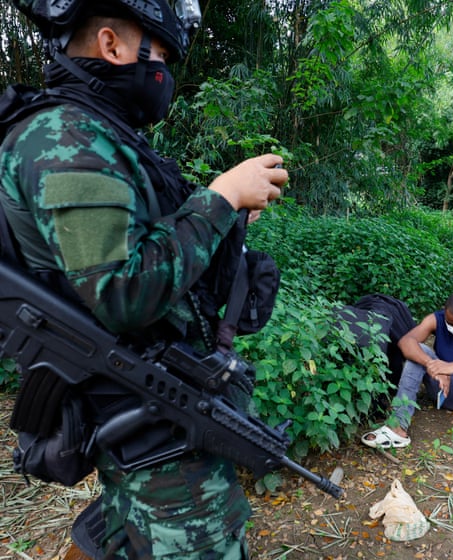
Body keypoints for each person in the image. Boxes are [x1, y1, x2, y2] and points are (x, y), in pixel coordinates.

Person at [0, 1, 286, 557]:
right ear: (112, 45)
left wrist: (222, 220)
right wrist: (222, 197)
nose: (165, 75)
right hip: (146, 417)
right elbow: (124, 291)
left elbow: (131, 246)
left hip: (151, 407)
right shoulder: (67, 138)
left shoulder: (95, 132)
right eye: (163, 57)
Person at [360, 292, 453, 480]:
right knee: (419, 350)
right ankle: (398, 426)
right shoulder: (435, 319)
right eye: (451, 323)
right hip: (441, 391)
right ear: (444, 312)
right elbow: (406, 341)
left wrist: (452, 367)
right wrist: (432, 365)